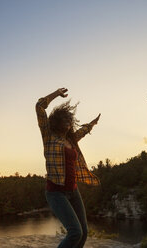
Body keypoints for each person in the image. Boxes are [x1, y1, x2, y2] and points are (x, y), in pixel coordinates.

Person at [36, 88, 101, 248]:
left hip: (73, 191)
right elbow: (39, 106)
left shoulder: (71, 139)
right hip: (56, 193)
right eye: (64, 119)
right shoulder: (48, 136)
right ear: (56, 121)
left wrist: (92, 124)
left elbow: (82, 131)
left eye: (69, 120)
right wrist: (56, 94)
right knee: (75, 232)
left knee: (83, 233)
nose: (68, 122)